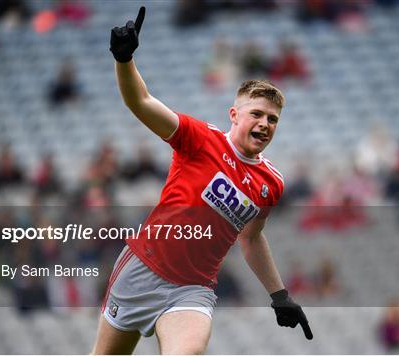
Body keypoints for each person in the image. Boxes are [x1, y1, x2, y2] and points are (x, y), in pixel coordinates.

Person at [92, 6, 312, 355]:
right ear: (234, 115)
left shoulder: (270, 182)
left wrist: (279, 295)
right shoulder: (199, 138)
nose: (265, 124)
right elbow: (142, 102)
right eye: (257, 114)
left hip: (192, 289)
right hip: (141, 269)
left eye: (273, 119)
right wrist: (124, 59)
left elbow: (252, 239)